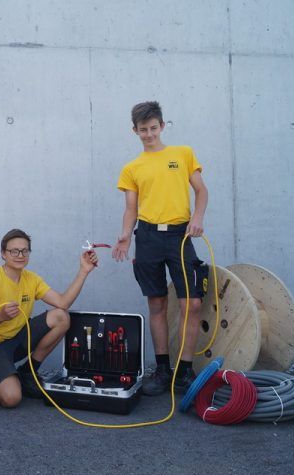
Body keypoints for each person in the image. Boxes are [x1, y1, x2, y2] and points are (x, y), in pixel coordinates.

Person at [111, 101, 209, 395]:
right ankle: (163, 370)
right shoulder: (132, 168)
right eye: (143, 130)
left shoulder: (183, 154)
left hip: (180, 235)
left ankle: (186, 371)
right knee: (156, 304)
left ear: (162, 126)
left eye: (154, 128)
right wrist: (126, 236)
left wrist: (198, 217)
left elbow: (202, 190)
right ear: (135, 131)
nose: (149, 134)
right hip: (149, 238)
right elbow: (131, 208)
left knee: (191, 302)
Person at [0, 229, 99, 408]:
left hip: (19, 339)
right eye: (14, 251)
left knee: (61, 317)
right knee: (12, 399)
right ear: (3, 254)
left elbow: (62, 302)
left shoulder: (32, 279)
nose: (20, 255)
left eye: (25, 250)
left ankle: (27, 372)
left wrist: (83, 271)